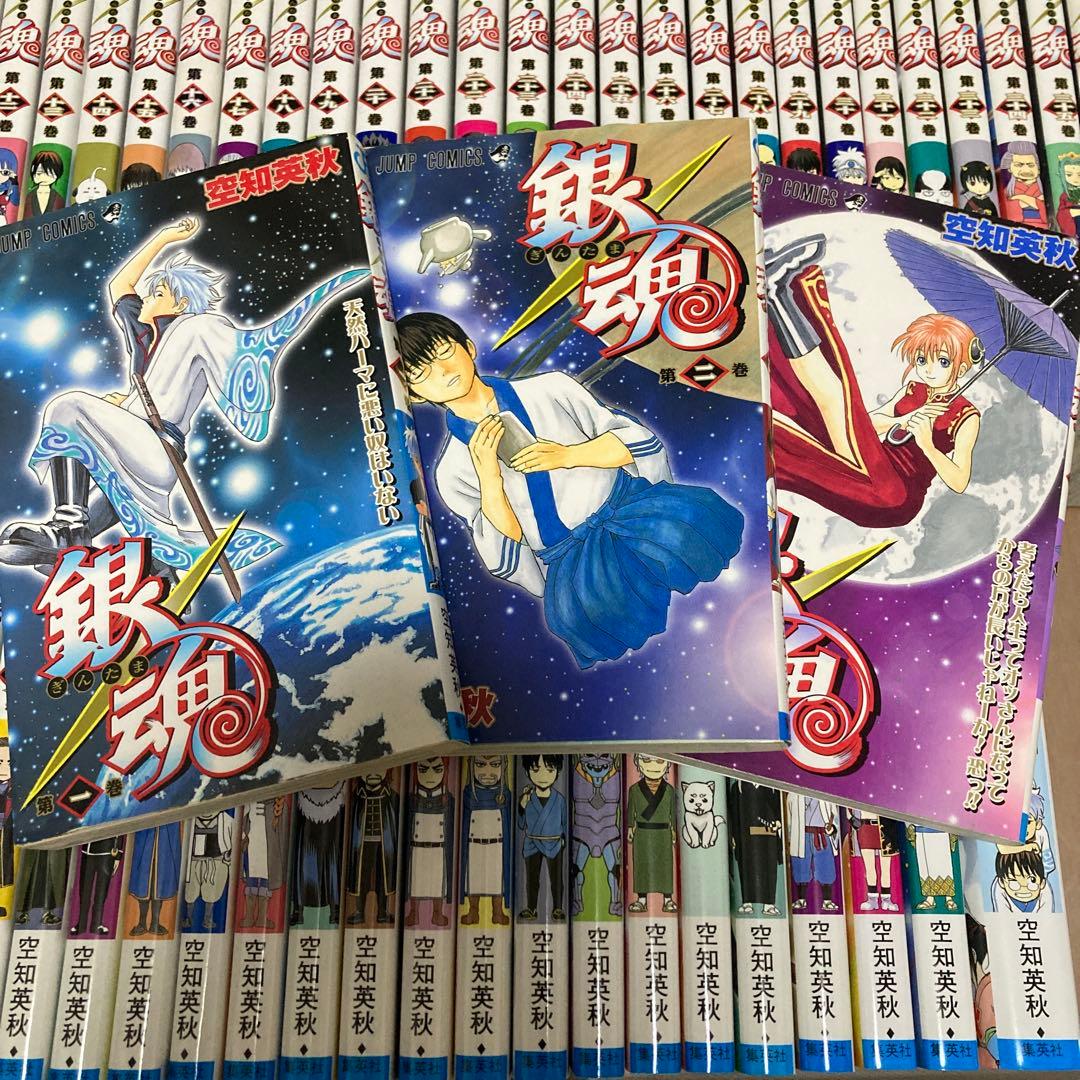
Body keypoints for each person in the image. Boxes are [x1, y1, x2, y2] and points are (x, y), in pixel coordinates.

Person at [0, 216, 364, 576]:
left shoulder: (196, 328)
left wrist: (265, 344)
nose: (146, 297)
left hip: (159, 445)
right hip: (137, 442)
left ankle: (69, 531)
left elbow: (234, 355)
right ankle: (149, 566)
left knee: (67, 406)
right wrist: (164, 237)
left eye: (158, 293)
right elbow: (120, 286)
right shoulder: (145, 337)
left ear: (179, 304)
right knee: (118, 501)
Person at [395, 312, 743, 668]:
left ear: (468, 347)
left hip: (636, 513)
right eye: (421, 373)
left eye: (445, 353)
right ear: (414, 393)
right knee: (608, 632)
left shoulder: (551, 388)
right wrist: (488, 477)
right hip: (573, 564)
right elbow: (505, 545)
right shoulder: (451, 470)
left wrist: (568, 455)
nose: (442, 372)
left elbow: (635, 440)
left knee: (704, 536)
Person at [764, 234, 981, 529]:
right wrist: (902, 421)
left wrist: (927, 443)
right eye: (922, 360)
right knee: (832, 406)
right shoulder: (914, 390)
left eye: (942, 362)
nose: (929, 370)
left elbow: (959, 481)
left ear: (963, 366)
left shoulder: (966, 416)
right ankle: (778, 298)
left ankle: (778, 295)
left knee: (835, 403)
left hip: (896, 498)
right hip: (870, 464)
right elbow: (869, 423)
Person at [459, 755, 512, 926]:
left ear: (504, 766)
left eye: (495, 764)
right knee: (473, 878)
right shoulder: (468, 794)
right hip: (474, 844)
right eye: (480, 765)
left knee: (497, 879)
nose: (487, 772)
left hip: (498, 844)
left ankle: (497, 912)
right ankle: (473, 911)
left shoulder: (505, 794)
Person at [404, 757, 455, 927]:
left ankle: (437, 913)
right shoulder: (412, 799)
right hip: (417, 847)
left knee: (438, 881)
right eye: (423, 770)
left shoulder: (449, 800)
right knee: (415, 880)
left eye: (437, 769)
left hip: (439, 848)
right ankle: (413, 912)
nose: (430, 775)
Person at [517, 755, 567, 921]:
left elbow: (565, 822)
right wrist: (522, 806)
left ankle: (558, 907)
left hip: (554, 843)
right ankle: (531, 908)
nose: (543, 776)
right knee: (532, 879)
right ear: (527, 772)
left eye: (550, 770)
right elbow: (521, 824)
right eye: (536, 770)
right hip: (532, 843)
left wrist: (563, 839)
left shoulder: (559, 799)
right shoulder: (527, 798)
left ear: (557, 772)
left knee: (556, 878)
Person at [346, 771, 399, 925]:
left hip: (385, 843)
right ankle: (359, 911)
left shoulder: (391, 796)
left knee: (385, 877)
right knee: (361, 877)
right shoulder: (357, 795)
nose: (374, 773)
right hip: (362, 843)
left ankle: (382, 912)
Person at [626, 755, 677, 913]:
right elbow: (631, 810)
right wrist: (630, 827)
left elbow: (673, 812)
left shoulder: (669, 790)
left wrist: (674, 830)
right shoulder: (634, 789)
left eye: (660, 761)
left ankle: (668, 899)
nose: (653, 766)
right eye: (646, 760)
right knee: (642, 865)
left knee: (665, 865)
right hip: (642, 832)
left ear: (667, 764)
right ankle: (641, 899)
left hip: (663, 832)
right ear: (638, 763)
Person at [786, 796, 839, 911]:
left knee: (826, 866)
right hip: (801, 834)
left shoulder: (825, 793)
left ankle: (827, 900)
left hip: (822, 834)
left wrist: (832, 829)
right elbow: (789, 818)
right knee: (801, 866)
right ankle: (801, 899)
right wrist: (790, 838)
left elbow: (835, 815)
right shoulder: (793, 794)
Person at [129, 823, 181, 935]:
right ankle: (142, 923)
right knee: (143, 886)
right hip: (146, 842)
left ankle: (155, 923)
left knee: (159, 887)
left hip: (165, 846)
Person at [1000, 142, 1048, 228]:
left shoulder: (1047, 191)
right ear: (1009, 168)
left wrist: (1022, 198)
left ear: (1038, 168)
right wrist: (1036, 202)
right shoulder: (1007, 191)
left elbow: (1050, 216)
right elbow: (1011, 218)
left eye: (1031, 165)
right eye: (1019, 165)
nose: (1026, 170)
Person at [24, 151, 66, 218]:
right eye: (39, 173)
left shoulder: (59, 199)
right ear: (33, 171)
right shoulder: (29, 197)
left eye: (50, 174)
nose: (44, 177)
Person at [1055, 151, 1080, 235]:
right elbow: (1061, 214)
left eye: (1079, 175)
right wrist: (1072, 212)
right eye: (1069, 175)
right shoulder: (1065, 195)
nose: (1075, 178)